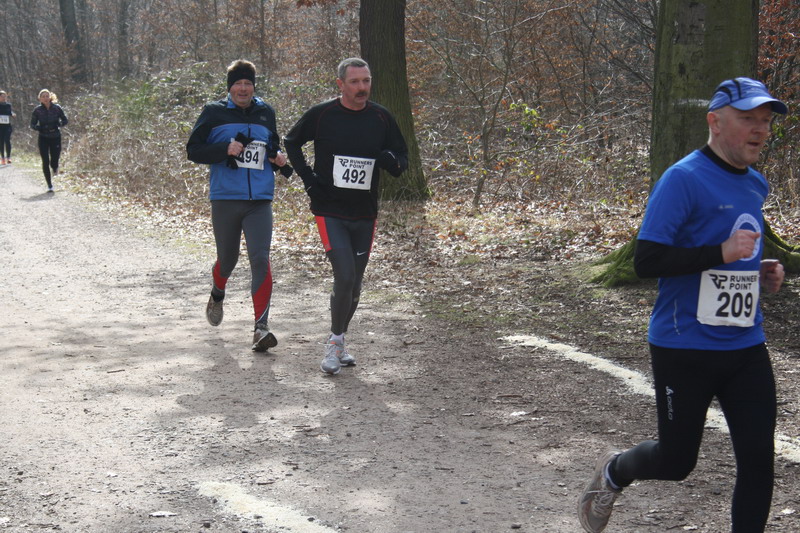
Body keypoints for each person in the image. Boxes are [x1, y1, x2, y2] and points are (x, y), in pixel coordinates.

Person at [578, 77, 788, 533]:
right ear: (715, 122)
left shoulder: (756, 183)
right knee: (676, 462)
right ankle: (615, 470)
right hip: (684, 344)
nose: (760, 129)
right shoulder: (683, 178)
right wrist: (721, 253)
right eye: (747, 119)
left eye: (765, 120)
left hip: (745, 345)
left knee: (758, 459)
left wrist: (760, 270)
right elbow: (647, 260)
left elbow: (732, 254)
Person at [284, 57, 408, 375]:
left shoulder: (381, 117)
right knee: (345, 275)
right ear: (340, 84)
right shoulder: (323, 114)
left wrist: (391, 159)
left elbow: (401, 158)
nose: (362, 87)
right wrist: (309, 179)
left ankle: (339, 341)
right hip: (330, 210)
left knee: (355, 285)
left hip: (365, 213)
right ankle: (333, 343)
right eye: (354, 82)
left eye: (366, 81)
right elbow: (291, 142)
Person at [187, 59, 292, 352]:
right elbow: (193, 150)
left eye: (248, 84)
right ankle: (217, 292)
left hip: (259, 200)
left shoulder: (266, 112)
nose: (243, 89)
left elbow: (271, 146)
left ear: (254, 86)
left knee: (260, 258)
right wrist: (224, 149)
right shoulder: (213, 112)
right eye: (238, 84)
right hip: (225, 198)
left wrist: (278, 158)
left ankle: (261, 328)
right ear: (230, 87)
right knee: (228, 259)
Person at [30, 89, 68, 192]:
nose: (45, 98)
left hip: (55, 136)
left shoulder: (57, 108)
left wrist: (60, 124)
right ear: (40, 99)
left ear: (50, 97)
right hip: (43, 137)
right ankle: (49, 185)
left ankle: (55, 167)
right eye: (43, 97)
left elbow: (65, 120)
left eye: (47, 96)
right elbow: (32, 124)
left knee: (54, 159)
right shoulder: (37, 110)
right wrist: (38, 128)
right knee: (45, 161)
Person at [0, 90, 15, 165]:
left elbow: (9, 112)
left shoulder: (8, 105)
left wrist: (13, 114)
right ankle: (2, 158)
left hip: (7, 125)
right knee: (1, 141)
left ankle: (8, 157)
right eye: (2, 96)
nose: (4, 98)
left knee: (7, 140)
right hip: (0, 126)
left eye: (5, 96)